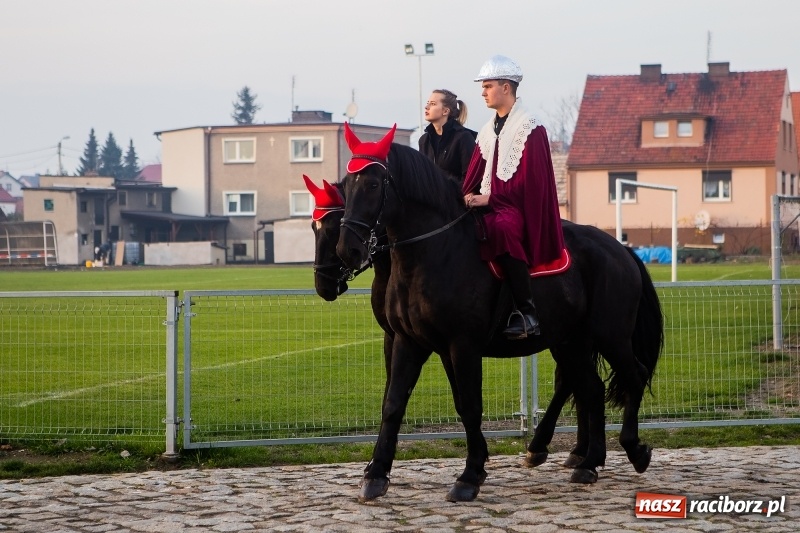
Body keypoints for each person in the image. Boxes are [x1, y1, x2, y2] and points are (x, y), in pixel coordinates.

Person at [462, 55, 566, 340]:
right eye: (483, 87)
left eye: (488, 85)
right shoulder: (486, 131)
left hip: (517, 210)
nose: (483, 92)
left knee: (502, 228)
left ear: (506, 87)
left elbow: (533, 184)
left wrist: (490, 199)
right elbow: (473, 174)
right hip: (491, 206)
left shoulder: (530, 127)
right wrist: (464, 196)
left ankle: (526, 311)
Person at [418, 89, 477, 183]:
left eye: (432, 104)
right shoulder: (424, 140)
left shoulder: (463, 137)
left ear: (445, 111)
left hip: (456, 196)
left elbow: (470, 176)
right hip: (431, 197)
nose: (426, 107)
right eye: (427, 103)